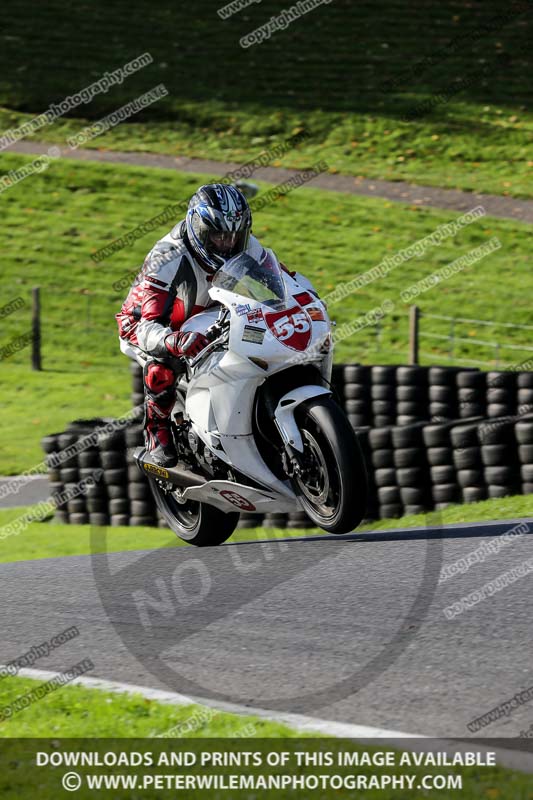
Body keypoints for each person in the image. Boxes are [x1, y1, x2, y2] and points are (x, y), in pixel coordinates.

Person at [116, 183, 315, 467]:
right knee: (163, 364)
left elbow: (280, 282)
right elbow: (147, 325)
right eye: (218, 236)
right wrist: (172, 340)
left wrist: (306, 296)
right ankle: (156, 431)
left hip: (207, 309)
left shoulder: (243, 245)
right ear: (198, 229)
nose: (226, 243)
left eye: (234, 236)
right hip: (148, 323)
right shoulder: (167, 258)